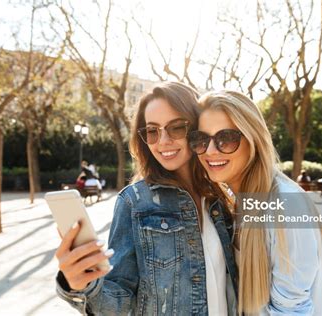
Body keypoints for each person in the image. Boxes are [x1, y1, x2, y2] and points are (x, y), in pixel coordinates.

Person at [54, 82, 238, 315]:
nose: (162, 141)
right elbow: (120, 302)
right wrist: (80, 285)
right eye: (152, 131)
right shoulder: (135, 202)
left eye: (176, 128)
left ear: (196, 128)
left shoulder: (221, 197)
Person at [188, 90, 322, 315]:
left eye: (226, 139)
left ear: (253, 140)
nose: (210, 151)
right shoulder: (237, 203)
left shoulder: (285, 205)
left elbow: (290, 311)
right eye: (201, 139)